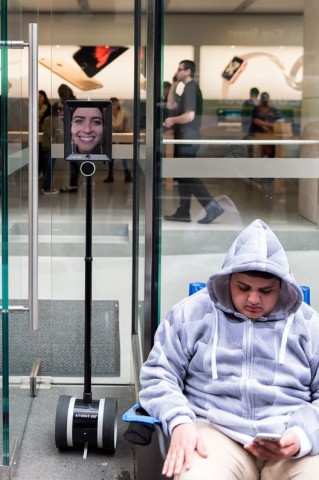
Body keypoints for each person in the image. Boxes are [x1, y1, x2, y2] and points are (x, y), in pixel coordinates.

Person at [139, 218, 319, 480]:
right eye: (243, 287)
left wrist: (303, 436)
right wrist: (179, 422)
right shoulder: (191, 314)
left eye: (266, 291)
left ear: (282, 287)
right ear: (227, 280)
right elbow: (159, 375)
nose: (253, 299)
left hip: (291, 437)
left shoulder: (309, 324)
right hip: (216, 433)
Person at [163, 60, 224, 224]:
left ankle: (212, 206)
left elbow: (190, 116)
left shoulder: (191, 88)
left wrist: (172, 120)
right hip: (185, 138)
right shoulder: (186, 89)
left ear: (188, 71)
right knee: (183, 176)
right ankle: (183, 211)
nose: (177, 71)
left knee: (187, 175)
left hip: (188, 138)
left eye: (180, 69)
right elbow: (170, 105)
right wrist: (174, 83)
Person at [251, 92, 281, 197]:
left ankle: (270, 174)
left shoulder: (273, 110)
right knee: (257, 155)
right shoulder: (257, 109)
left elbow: (279, 121)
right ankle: (257, 177)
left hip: (272, 136)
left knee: (271, 155)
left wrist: (269, 126)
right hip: (258, 136)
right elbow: (255, 120)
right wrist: (265, 125)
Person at [103, 97, 132, 183]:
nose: (113, 106)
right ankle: (110, 175)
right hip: (111, 137)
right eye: (112, 104)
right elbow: (106, 126)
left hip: (122, 137)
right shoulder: (107, 114)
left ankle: (127, 174)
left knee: (124, 156)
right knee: (111, 157)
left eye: (115, 104)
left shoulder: (123, 114)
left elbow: (127, 127)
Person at [58, 84, 80, 193]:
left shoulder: (68, 103)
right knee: (74, 162)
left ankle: (73, 184)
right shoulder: (75, 102)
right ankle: (73, 184)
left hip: (71, 136)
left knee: (73, 162)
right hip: (77, 135)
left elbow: (68, 120)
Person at [40, 101, 64, 194]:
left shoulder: (47, 119)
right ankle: (47, 188)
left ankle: (46, 187)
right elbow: (55, 134)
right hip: (52, 147)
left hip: (46, 146)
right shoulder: (57, 121)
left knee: (47, 168)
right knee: (49, 169)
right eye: (61, 109)